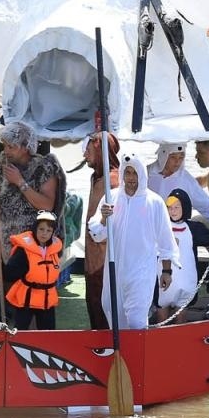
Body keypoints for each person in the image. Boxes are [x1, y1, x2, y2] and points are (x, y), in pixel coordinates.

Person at [86, 151, 173, 329]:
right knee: (112, 312)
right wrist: (103, 218)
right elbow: (97, 234)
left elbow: (165, 238)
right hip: (115, 270)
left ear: (142, 174)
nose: (131, 177)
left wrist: (167, 270)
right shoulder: (111, 198)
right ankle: (122, 355)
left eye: (135, 173)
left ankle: (138, 354)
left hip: (141, 271)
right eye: (127, 172)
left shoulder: (154, 202)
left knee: (136, 319)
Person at [0, 121, 66, 251]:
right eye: (5, 146)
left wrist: (20, 182)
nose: (6, 151)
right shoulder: (3, 165)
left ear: (25, 147)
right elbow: (5, 202)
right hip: (8, 245)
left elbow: (48, 205)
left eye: (11, 147)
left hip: (35, 247)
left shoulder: (43, 168)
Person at [147, 141, 209, 234]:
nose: (177, 162)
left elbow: (207, 205)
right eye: (173, 157)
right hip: (146, 227)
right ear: (163, 155)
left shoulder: (184, 179)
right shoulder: (145, 174)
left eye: (181, 157)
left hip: (173, 232)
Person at [154, 189, 209, 322]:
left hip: (186, 279)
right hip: (162, 277)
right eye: (169, 208)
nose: (173, 211)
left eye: (177, 207)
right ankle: (160, 339)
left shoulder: (193, 228)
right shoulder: (159, 226)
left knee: (181, 311)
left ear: (185, 207)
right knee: (161, 309)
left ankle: (178, 338)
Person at [81, 131, 119, 331]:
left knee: (102, 303)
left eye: (88, 150)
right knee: (93, 300)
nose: (85, 156)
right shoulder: (97, 177)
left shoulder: (112, 181)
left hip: (103, 256)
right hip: (93, 253)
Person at [2, 211, 62, 331]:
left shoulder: (54, 250)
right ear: (35, 229)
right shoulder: (23, 250)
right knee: (21, 332)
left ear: (53, 232)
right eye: (41, 229)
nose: (44, 233)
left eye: (48, 230)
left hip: (47, 299)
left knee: (48, 333)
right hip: (27, 298)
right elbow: (9, 274)